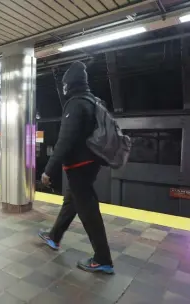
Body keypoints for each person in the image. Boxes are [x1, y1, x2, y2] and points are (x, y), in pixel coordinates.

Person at [39, 61, 114, 274]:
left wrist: (48, 170)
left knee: (88, 210)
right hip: (91, 163)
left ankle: (103, 259)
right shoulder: (92, 101)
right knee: (72, 200)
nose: (63, 89)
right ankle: (54, 236)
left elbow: (65, 140)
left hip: (79, 166)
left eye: (64, 84)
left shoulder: (75, 104)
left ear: (70, 84)